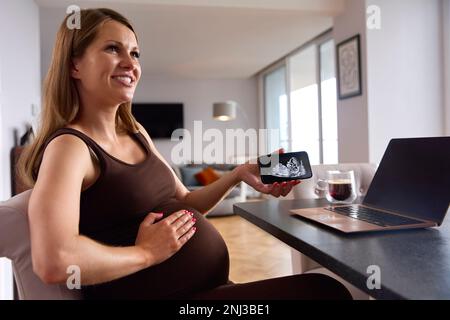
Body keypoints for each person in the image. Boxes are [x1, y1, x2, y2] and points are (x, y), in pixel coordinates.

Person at [18, 8, 351, 300]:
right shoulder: (71, 147)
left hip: (204, 292)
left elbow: (185, 203)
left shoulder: (136, 132)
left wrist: (235, 174)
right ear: (74, 65)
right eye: (112, 49)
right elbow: (54, 261)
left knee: (323, 290)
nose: (130, 63)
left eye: (135, 54)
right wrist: (146, 253)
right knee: (324, 292)